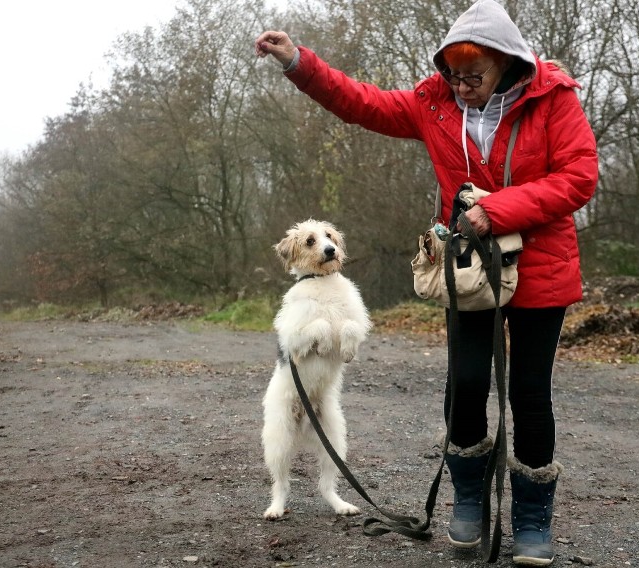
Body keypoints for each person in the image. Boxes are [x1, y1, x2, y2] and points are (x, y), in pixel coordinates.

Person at [255, 0, 598, 565]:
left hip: (541, 266)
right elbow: (360, 103)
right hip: (464, 271)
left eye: (475, 77)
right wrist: (298, 63)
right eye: (453, 76)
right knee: (465, 385)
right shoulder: (433, 103)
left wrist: (500, 210)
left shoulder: (553, 99)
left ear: (506, 64)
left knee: (530, 394)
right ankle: (467, 503)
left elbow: (580, 176)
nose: (461, 87)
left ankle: (533, 520)